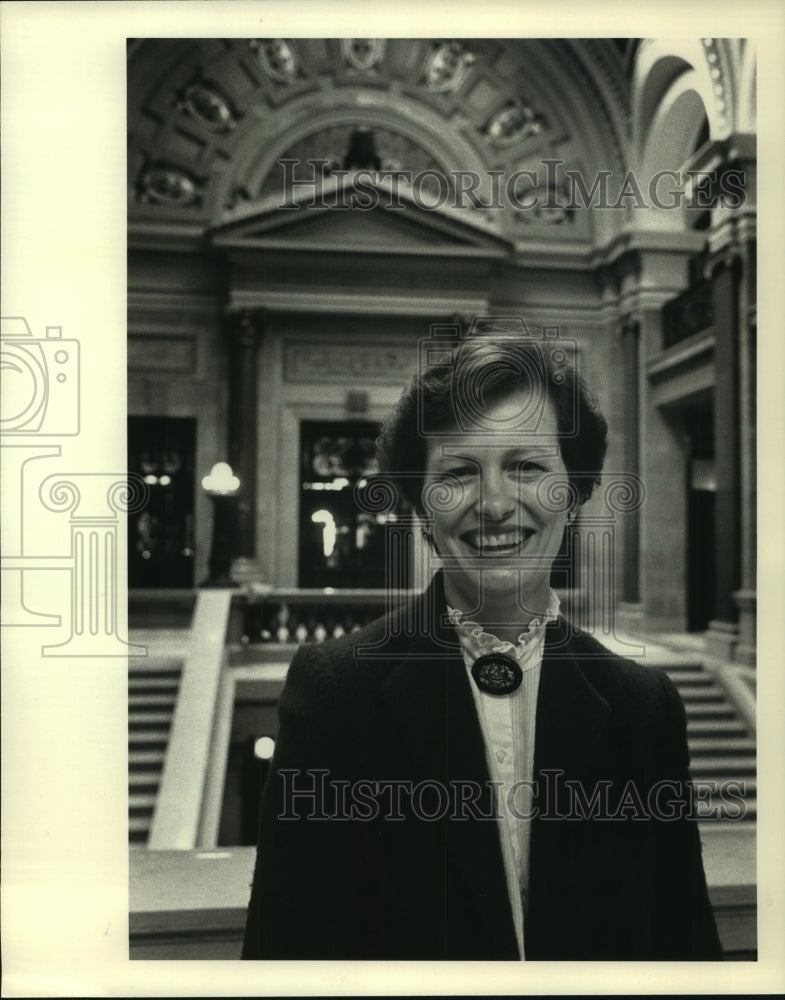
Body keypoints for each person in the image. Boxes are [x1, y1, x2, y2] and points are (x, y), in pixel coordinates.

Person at [242, 325, 722, 961]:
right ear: (421, 506)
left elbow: (683, 948)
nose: (495, 503)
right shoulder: (335, 693)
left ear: (575, 494)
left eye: (526, 466)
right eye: (461, 471)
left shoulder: (644, 705)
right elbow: (286, 952)